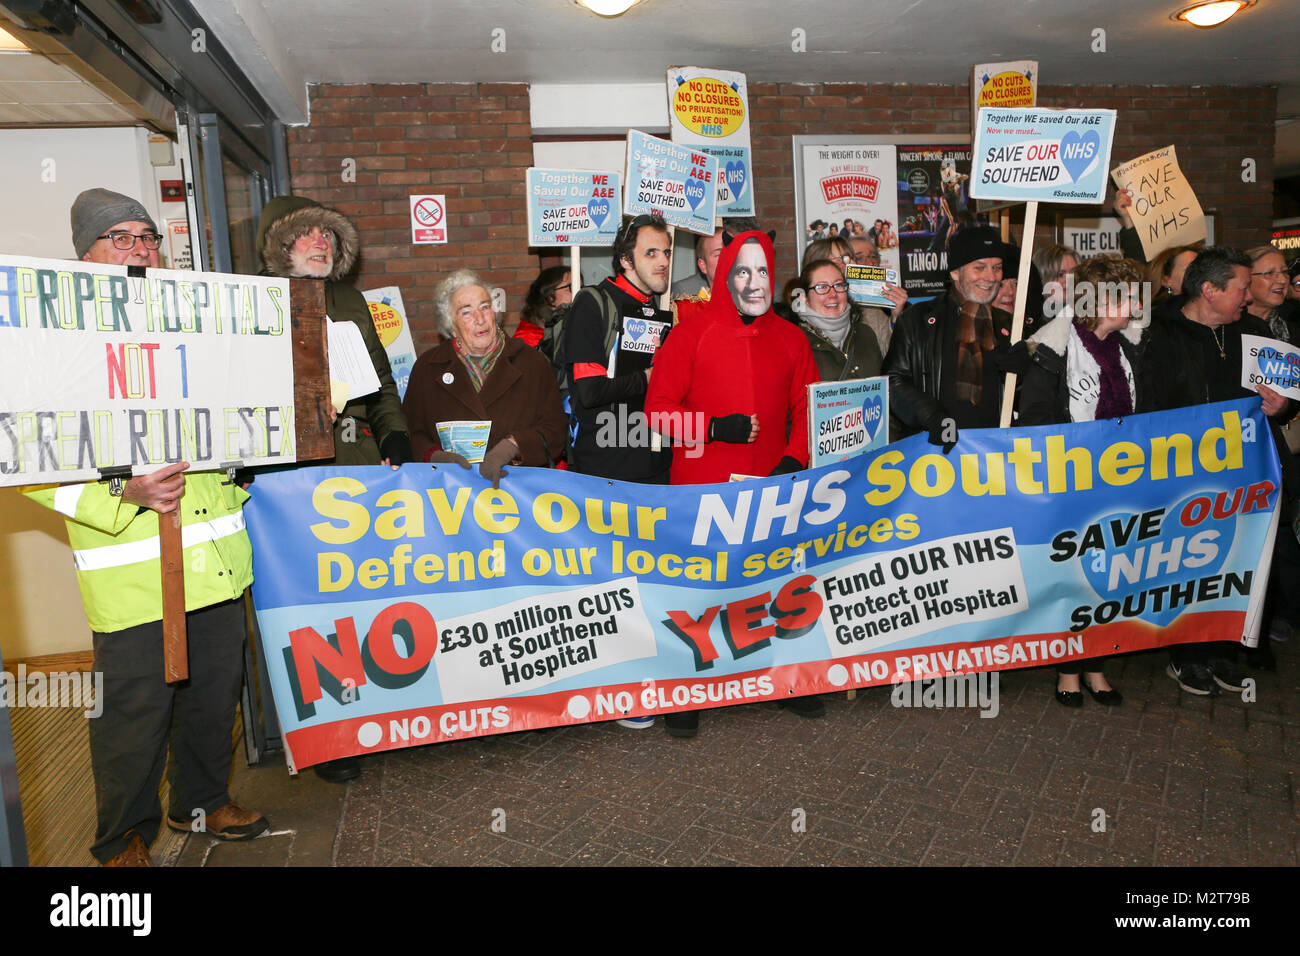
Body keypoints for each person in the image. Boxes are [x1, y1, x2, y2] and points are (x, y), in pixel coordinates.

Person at [24, 188, 268, 866]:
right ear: (86, 255)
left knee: (214, 701)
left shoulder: (190, 328)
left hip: (216, 563)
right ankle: (121, 840)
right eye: (121, 238)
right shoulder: (55, 349)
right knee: (131, 720)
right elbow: (27, 457)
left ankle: (202, 803)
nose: (140, 249)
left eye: (147, 237)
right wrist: (120, 492)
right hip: (132, 574)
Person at [257, 196, 412, 784]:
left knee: (359, 595)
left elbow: (381, 380)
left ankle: (371, 716)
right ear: (281, 247)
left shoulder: (349, 301)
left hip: (357, 466)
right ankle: (330, 736)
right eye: (306, 235)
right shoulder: (257, 302)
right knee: (309, 605)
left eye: (327, 233)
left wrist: (394, 437)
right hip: (292, 476)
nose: (320, 241)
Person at [645, 228, 821, 735]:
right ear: (725, 276)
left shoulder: (791, 337)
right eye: (741, 270)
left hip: (771, 483)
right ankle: (684, 692)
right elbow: (656, 413)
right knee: (698, 586)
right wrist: (713, 427)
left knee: (773, 581)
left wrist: (794, 457)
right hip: (702, 487)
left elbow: (807, 406)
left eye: (762, 271)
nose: (753, 281)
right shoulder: (690, 332)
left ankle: (784, 680)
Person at [1138, 246, 1291, 695]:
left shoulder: (1255, 332)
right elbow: (1147, 408)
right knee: (1191, 566)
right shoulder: (1159, 334)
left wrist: (1282, 406)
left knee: (1235, 564)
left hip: (1247, 478)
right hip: (1185, 477)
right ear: (1209, 289)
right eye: (1242, 287)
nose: (1248, 296)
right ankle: (1188, 657)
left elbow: (1284, 396)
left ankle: (1224, 651)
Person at [1019, 256, 1147, 707]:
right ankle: (1068, 670)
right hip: (1069, 486)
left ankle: (1097, 665)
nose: (1137, 304)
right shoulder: (1053, 348)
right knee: (1072, 580)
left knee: (1110, 577)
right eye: (1128, 295)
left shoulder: (1129, 345)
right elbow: (1034, 419)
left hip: (1121, 485)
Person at [403, 269, 567, 482]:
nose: (480, 319)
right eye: (466, 312)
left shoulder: (531, 363)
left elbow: (555, 429)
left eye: (485, 307)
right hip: (450, 493)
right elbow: (411, 431)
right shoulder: (427, 369)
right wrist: (434, 456)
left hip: (518, 494)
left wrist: (514, 446)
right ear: (451, 325)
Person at [884, 226, 1018, 445]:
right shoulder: (917, 320)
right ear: (955, 272)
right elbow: (894, 382)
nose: (991, 277)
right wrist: (931, 417)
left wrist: (1026, 372)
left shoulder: (1008, 325)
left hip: (994, 455)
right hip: (934, 452)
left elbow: (1024, 398)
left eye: (997, 267)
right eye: (979, 267)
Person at [789, 258, 886, 381]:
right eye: (822, 287)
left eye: (839, 285)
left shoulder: (866, 334)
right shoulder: (795, 343)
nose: (833, 294)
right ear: (804, 298)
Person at [514, 266, 572, 346]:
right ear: (550, 296)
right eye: (571, 287)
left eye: (581, 287)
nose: (579, 292)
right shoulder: (528, 337)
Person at [671, 225, 724, 301]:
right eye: (719, 255)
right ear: (703, 266)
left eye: (732, 251)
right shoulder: (686, 296)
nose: (728, 258)